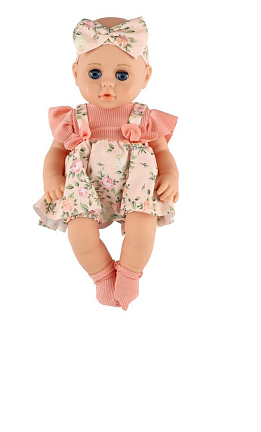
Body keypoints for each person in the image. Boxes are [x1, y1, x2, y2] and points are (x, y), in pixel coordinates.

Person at [32, 16, 179, 310]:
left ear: (146, 76)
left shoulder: (145, 117)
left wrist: (170, 175)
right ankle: (102, 276)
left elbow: (162, 152)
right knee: (79, 234)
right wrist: (52, 178)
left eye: (122, 75)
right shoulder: (73, 118)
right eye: (95, 73)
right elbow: (56, 151)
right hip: (84, 187)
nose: (107, 83)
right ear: (76, 73)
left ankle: (129, 274)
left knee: (142, 229)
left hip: (136, 186)